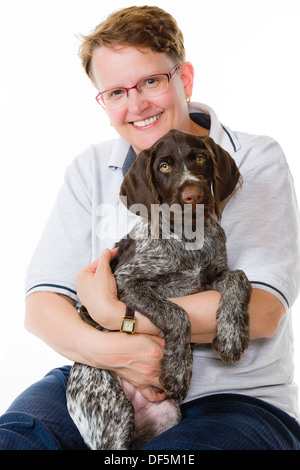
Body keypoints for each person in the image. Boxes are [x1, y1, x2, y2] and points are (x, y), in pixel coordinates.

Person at [1, 5, 300, 450]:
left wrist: (112, 315)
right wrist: (115, 352)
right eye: (116, 92)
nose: (136, 105)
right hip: (101, 370)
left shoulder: (254, 158)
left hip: (232, 396)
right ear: (103, 101)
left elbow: (262, 312)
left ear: (185, 78)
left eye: (151, 82)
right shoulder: (90, 168)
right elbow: (41, 308)